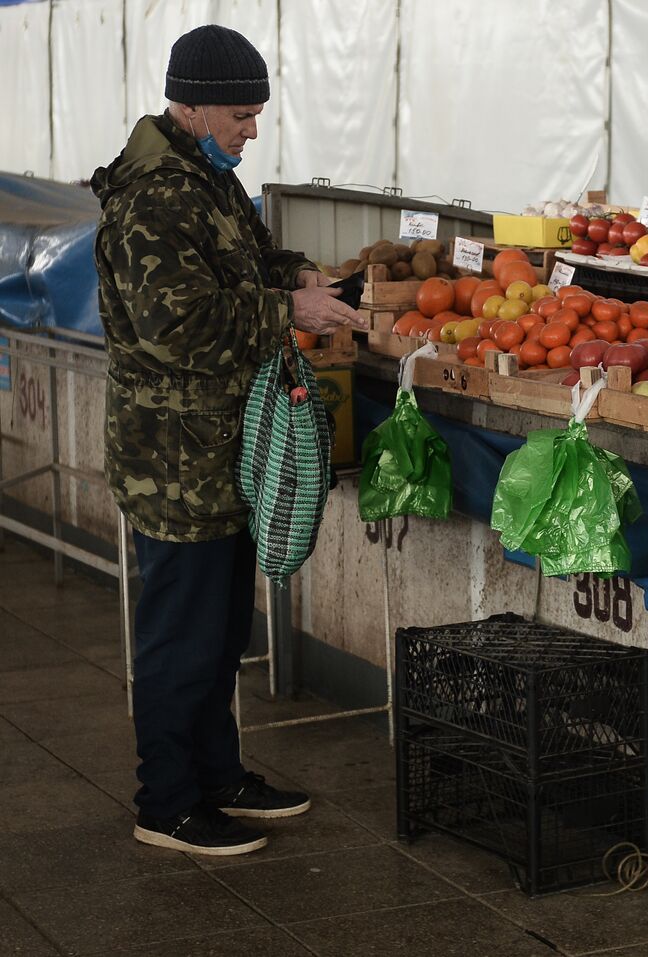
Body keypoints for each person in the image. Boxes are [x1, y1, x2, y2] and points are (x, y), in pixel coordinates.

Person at [91, 24, 365, 856]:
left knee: (217, 632)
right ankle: (166, 801)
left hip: (217, 451)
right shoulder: (155, 195)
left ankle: (218, 775)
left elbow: (232, 265)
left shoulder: (203, 178)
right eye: (243, 114)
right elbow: (178, 322)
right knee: (179, 636)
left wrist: (295, 274)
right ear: (195, 105)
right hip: (173, 459)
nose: (253, 129)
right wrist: (290, 312)